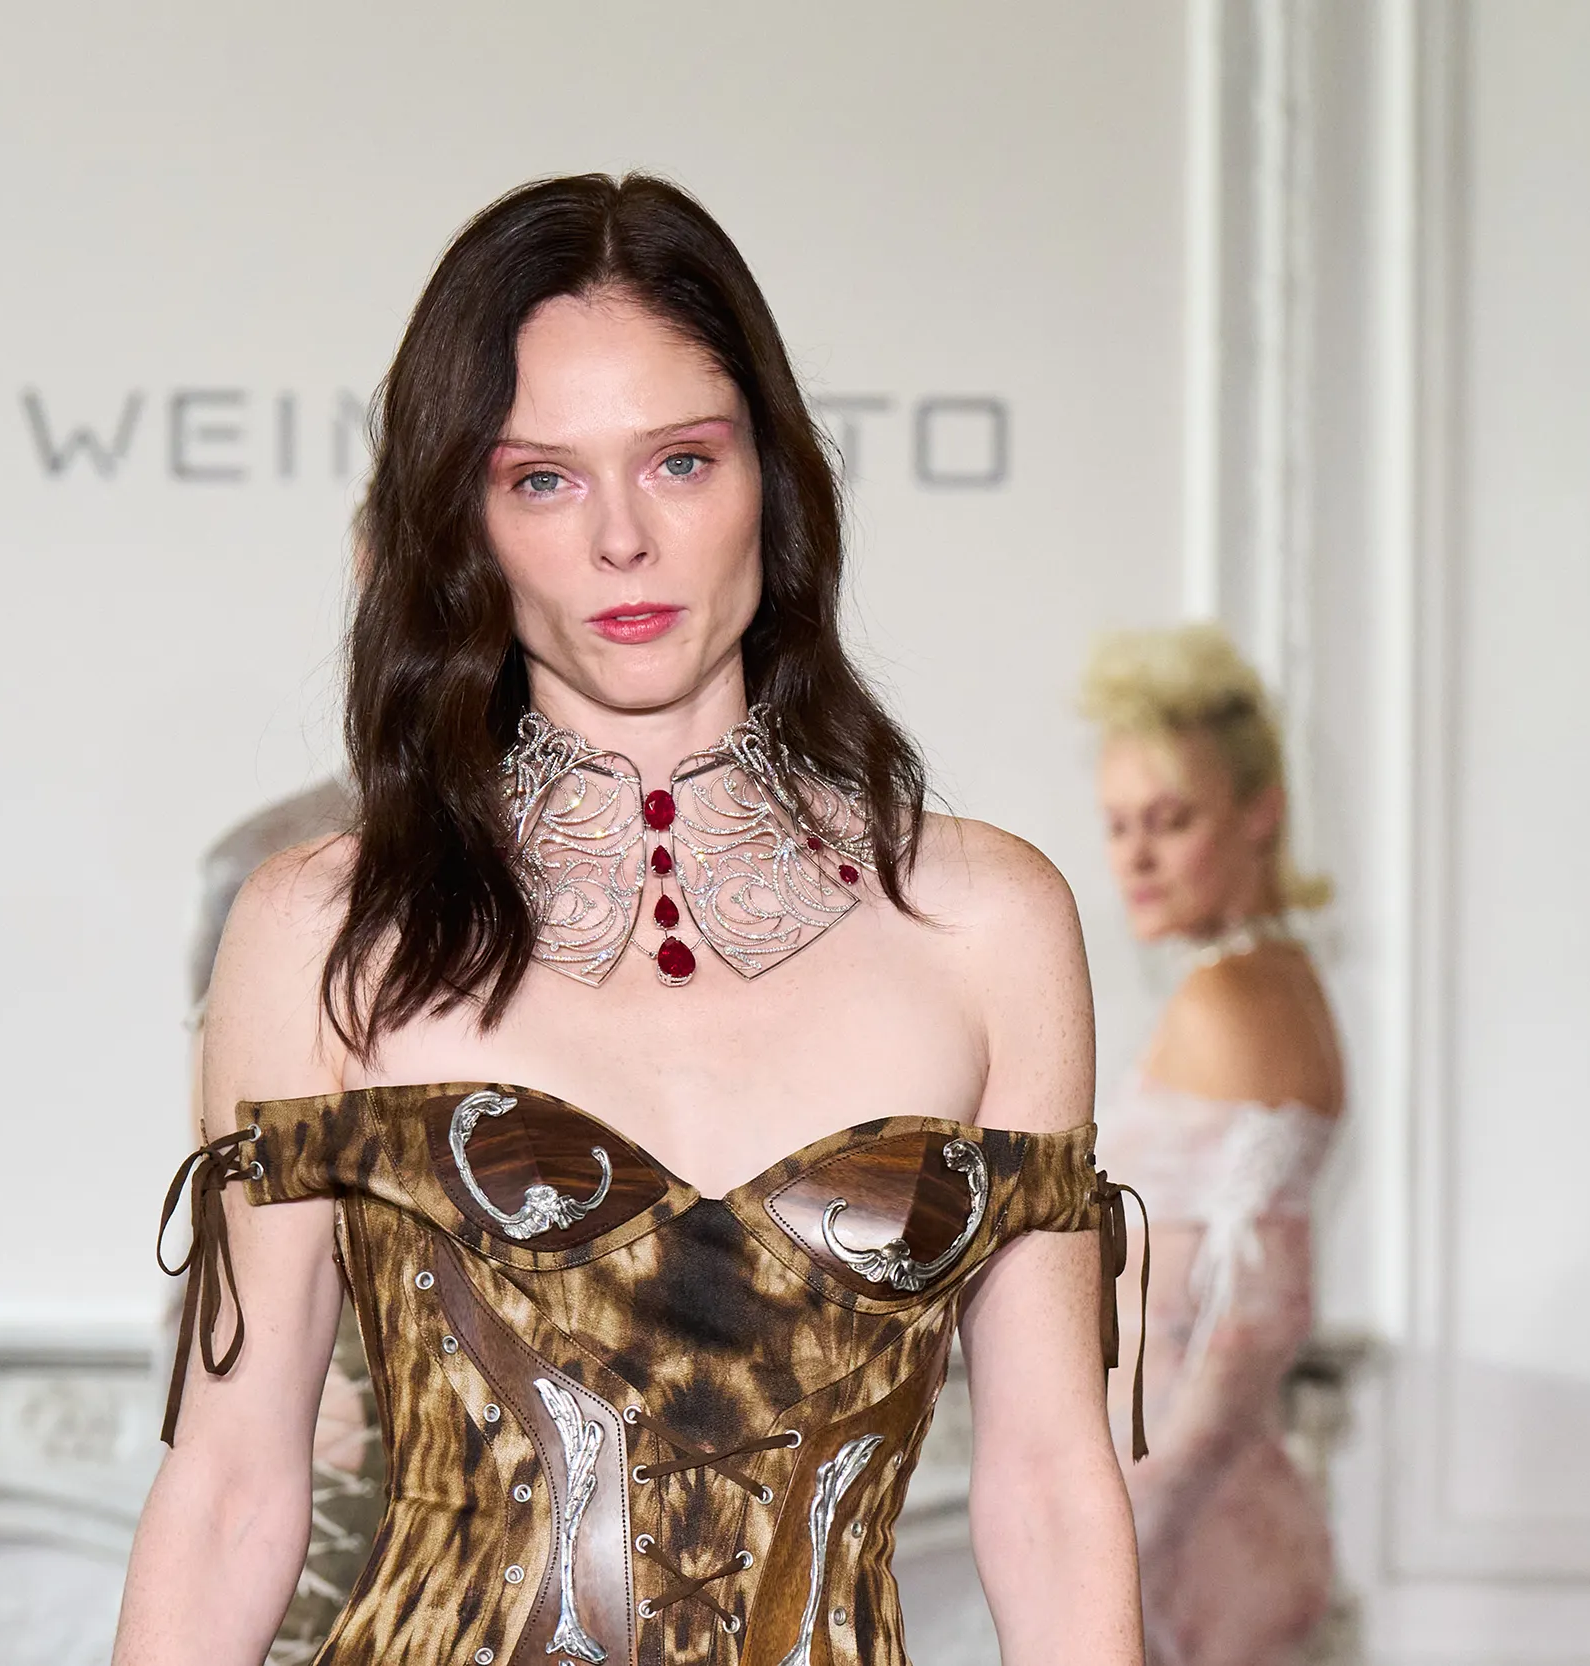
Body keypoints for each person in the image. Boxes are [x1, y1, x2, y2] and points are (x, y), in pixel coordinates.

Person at [114, 172, 1144, 1666]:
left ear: (772, 479)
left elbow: (1048, 1489)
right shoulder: (324, 930)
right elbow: (230, 1490)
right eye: (542, 479)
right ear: (462, 522)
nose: (621, 540)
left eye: (678, 461)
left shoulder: (985, 920)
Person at [1082, 625, 1344, 1666]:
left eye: (1171, 820)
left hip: (1196, 1548)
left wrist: (1129, 1538)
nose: (1135, 858)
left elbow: (1261, 1314)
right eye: (1118, 825)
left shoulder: (1228, 998)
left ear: (1259, 814)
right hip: (1216, 1528)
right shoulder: (1274, 979)